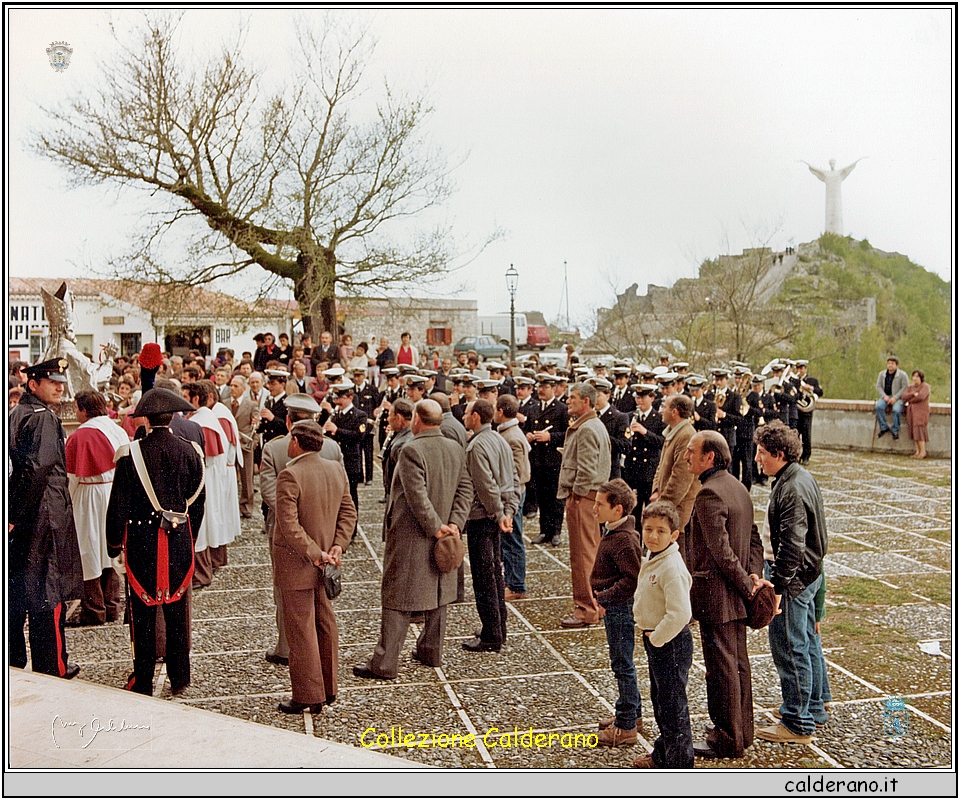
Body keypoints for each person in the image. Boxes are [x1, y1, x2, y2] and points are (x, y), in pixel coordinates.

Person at [354, 400, 473, 679]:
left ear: (418, 419)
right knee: (440, 591)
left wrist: (436, 527)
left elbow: (416, 495)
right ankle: (431, 651)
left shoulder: (411, 449)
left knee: (397, 595)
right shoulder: (456, 447)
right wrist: (454, 523)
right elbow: (466, 489)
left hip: (412, 535)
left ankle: (384, 663)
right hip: (446, 534)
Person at [105, 388, 206, 695]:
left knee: (142, 612)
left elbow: (118, 506)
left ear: (146, 419)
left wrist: (113, 546)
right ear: (174, 416)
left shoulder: (130, 454)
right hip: (178, 538)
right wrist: (191, 537)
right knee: (178, 609)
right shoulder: (190, 451)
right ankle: (180, 676)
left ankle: (144, 678)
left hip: (141, 541)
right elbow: (197, 503)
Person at [684, 431, 765, 760]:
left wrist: (748, 584)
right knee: (738, 664)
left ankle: (726, 738)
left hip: (718, 596)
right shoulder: (737, 486)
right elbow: (755, 539)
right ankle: (743, 731)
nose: (687, 457)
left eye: (692, 452)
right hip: (735, 593)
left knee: (721, 669)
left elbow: (721, 553)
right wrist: (754, 577)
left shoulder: (709, 493)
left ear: (709, 458)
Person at [754, 422, 830, 745]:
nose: (757, 459)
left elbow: (792, 548)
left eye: (761, 454)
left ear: (779, 454)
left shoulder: (791, 487)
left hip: (795, 579)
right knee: (808, 640)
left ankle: (798, 722)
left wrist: (778, 590)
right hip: (812, 574)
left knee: (790, 645)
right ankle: (815, 704)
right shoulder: (798, 476)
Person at [273, 421, 356, 714]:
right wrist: (337, 546)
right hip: (327, 560)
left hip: (298, 562)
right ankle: (329, 687)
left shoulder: (290, 474)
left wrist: (315, 553)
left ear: (295, 442)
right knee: (324, 622)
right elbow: (349, 511)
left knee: (301, 629)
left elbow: (289, 526)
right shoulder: (335, 468)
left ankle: (308, 694)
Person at [9, 358, 84, 680]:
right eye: (52, 381)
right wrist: (15, 516)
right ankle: (54, 666)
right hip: (43, 516)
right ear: (33, 384)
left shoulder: (20, 413)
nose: (59, 386)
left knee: (20, 591)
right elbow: (35, 470)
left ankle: (15, 661)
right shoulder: (42, 418)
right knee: (47, 592)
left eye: (61, 382)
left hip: (31, 515)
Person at [261, 395, 342, 667]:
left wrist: (292, 515)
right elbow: (344, 500)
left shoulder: (275, 448)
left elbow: (269, 490)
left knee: (290, 601)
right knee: (323, 605)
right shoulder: (331, 448)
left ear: (288, 420)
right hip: (326, 535)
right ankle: (324, 674)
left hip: (289, 536)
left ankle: (286, 648)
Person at [631, 499, 695, 768]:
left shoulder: (671, 567)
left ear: (674, 535)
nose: (653, 536)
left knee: (672, 705)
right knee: (661, 701)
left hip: (669, 642)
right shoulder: (654, 557)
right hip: (657, 639)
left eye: (660, 531)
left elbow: (681, 613)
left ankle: (679, 763)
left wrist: (656, 637)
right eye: (648, 530)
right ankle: (664, 753)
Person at [65, 390, 130, 626]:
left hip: (89, 494)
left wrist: (69, 501)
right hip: (115, 491)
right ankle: (112, 605)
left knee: (88, 550)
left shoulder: (80, 436)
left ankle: (94, 609)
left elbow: (71, 476)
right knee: (110, 548)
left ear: (83, 410)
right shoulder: (118, 429)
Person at [462, 398, 520, 652]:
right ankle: (497, 627)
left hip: (482, 517)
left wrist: (499, 513)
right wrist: (508, 511)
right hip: (497, 516)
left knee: (484, 577)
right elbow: (514, 479)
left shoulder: (477, 446)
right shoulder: (500, 440)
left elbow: (486, 487)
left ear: (475, 416)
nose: (464, 417)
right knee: (495, 573)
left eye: (466, 413)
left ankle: (491, 635)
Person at [590, 479, 643, 747]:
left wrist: (605, 597)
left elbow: (632, 579)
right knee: (622, 663)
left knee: (622, 664)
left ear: (618, 509)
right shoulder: (614, 531)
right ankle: (633, 713)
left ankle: (626, 726)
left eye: (600, 504)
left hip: (620, 608)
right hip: (614, 606)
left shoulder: (623, 539)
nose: (595, 509)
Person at [557, 383, 611, 628]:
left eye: (573, 398)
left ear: (587, 402)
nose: (568, 401)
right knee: (591, 553)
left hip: (584, 498)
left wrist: (576, 495)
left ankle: (586, 609)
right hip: (590, 497)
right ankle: (595, 604)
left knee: (582, 556)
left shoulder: (587, 429)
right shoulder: (593, 425)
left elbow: (587, 470)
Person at [649, 394, 698, 562]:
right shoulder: (673, 432)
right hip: (667, 506)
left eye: (665, 407)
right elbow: (661, 466)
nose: (661, 410)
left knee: (677, 559)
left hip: (678, 510)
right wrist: (656, 490)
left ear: (674, 412)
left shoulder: (686, 436)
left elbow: (681, 479)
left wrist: (662, 504)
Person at [525, 375, 568, 546]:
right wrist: (527, 435)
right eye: (539, 387)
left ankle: (555, 531)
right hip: (537, 460)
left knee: (555, 498)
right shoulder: (534, 409)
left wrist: (550, 436)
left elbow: (568, 434)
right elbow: (526, 429)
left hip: (554, 460)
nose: (540, 390)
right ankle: (544, 530)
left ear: (554, 389)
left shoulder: (562, 409)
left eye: (545, 387)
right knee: (541, 497)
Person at [496, 394, 531, 601]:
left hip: (514, 494)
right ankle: (510, 579)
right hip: (510, 493)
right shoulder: (508, 432)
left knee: (513, 539)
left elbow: (520, 473)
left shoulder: (512, 437)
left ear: (500, 412)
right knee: (507, 540)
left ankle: (517, 584)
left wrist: (512, 501)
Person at [323, 383, 368, 519]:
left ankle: (351, 529)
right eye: (336, 399)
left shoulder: (359, 415)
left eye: (340, 398)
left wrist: (337, 431)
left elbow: (358, 436)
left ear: (350, 398)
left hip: (350, 461)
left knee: (350, 497)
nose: (337, 402)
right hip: (334, 462)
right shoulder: (335, 414)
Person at [623, 384, 665, 508]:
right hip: (632, 468)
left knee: (648, 506)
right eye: (637, 398)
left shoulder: (659, 418)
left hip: (648, 469)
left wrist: (645, 432)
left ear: (651, 398)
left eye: (643, 398)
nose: (639, 401)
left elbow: (662, 442)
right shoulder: (629, 417)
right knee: (632, 506)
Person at [228, 375, 260, 518]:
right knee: (228, 476)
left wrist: (253, 444)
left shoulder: (251, 405)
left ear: (243, 388)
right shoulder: (224, 404)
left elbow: (257, 425)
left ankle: (246, 506)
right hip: (229, 446)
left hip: (245, 446)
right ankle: (229, 505)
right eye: (231, 385)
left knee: (247, 478)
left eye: (236, 386)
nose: (232, 388)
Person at [380, 397, 415, 502]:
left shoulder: (401, 444)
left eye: (390, 415)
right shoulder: (409, 434)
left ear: (399, 418)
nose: (388, 419)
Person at [350, 366, 380, 485]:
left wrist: (372, 421)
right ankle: (359, 476)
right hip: (356, 426)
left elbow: (376, 406)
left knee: (368, 452)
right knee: (357, 452)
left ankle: (369, 477)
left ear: (364, 376)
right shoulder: (351, 390)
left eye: (359, 376)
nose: (357, 379)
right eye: (355, 376)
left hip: (367, 425)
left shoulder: (372, 389)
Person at [793, 360, 823, 465]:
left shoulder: (812, 380)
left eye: (801, 368)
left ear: (805, 369)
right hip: (796, 410)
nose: (799, 371)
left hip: (807, 410)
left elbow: (820, 392)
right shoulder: (794, 380)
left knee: (806, 434)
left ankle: (806, 456)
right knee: (795, 434)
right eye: (797, 369)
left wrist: (811, 388)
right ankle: (795, 455)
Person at [875, 356, 909, 440]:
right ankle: (883, 427)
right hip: (886, 396)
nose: (890, 365)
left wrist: (895, 397)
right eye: (889, 363)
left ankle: (895, 430)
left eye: (892, 364)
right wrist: (884, 396)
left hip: (898, 397)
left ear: (896, 365)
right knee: (878, 407)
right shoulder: (882, 374)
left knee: (896, 410)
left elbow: (905, 387)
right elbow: (878, 386)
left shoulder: (902, 375)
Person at [901, 369, 931, 459]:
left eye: (917, 376)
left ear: (921, 377)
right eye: (913, 376)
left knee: (919, 429)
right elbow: (904, 395)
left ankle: (923, 451)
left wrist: (910, 399)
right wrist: (913, 394)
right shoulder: (911, 387)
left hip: (921, 411)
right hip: (911, 411)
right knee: (913, 430)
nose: (915, 378)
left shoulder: (925, 386)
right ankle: (917, 451)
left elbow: (921, 397)